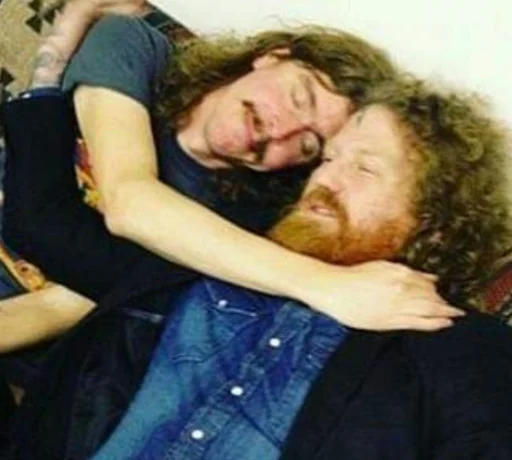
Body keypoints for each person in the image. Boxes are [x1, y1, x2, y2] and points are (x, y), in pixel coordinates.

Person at [2, 75, 512, 458]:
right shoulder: (230, 245)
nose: (326, 180)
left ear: (434, 224)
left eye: (364, 168)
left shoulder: (456, 344)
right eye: (328, 158)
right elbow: (51, 230)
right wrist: (51, 68)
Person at [0, 0, 457, 355]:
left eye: (307, 146)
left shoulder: (244, 221)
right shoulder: (140, 50)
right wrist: (326, 285)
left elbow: (66, 305)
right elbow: (129, 200)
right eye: (298, 97)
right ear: (271, 57)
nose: (280, 128)